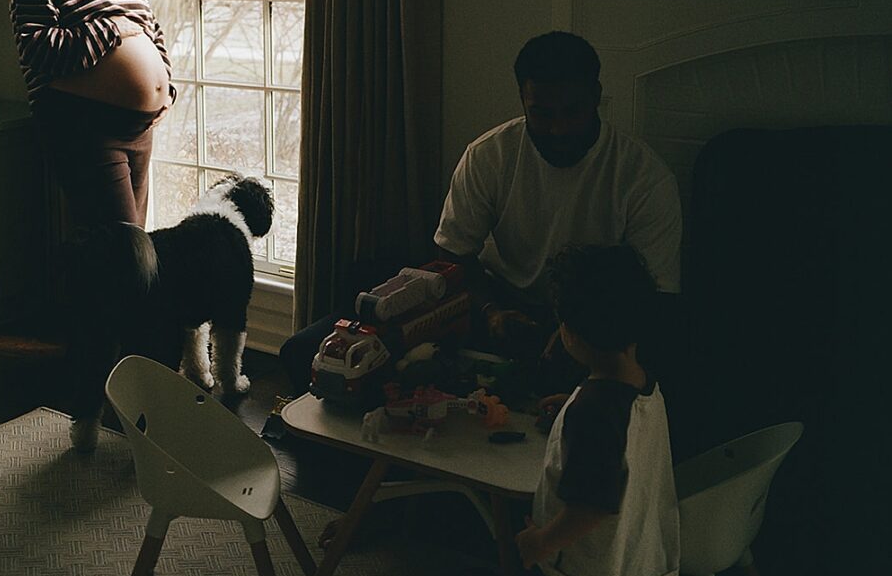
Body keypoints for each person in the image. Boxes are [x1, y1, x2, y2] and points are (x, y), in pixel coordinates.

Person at [276, 29, 679, 395]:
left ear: (596, 96)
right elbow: (453, 256)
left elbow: (655, 297)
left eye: (572, 112)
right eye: (542, 114)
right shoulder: (490, 156)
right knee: (306, 351)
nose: (558, 129)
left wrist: (582, 331)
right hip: (493, 302)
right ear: (522, 99)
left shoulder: (642, 176)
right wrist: (490, 311)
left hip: (597, 321)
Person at [10, 0, 174, 234]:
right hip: (86, 128)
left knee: (135, 249)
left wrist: (167, 91)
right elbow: (37, 50)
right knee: (120, 251)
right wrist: (110, 30)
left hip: (139, 129)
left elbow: (152, 32)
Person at [516, 242, 679, 576]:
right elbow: (622, 442)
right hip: (633, 565)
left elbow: (592, 506)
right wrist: (573, 402)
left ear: (569, 333)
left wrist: (539, 543)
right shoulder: (641, 384)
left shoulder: (594, 411)